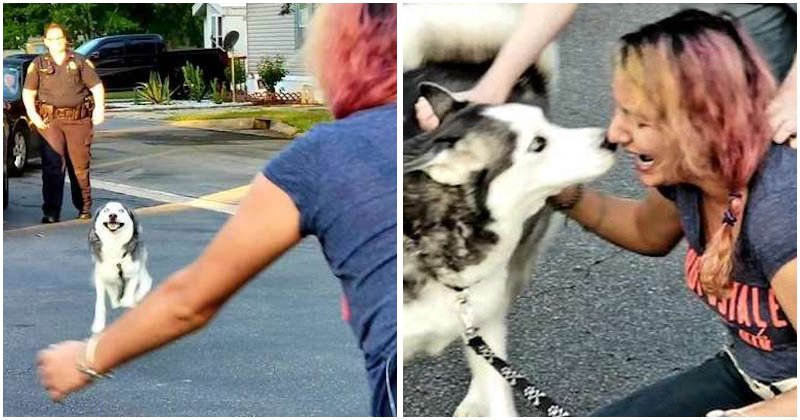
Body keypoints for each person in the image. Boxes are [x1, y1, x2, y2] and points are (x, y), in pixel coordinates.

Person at [37, 4, 397, 417]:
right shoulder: (431, 125)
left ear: (340, 50)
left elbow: (191, 300)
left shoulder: (324, 156)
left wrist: (87, 358)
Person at [544, 10, 795, 416]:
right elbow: (647, 232)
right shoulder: (693, 171)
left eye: (639, 119)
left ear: (703, 122)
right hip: (750, 376)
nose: (615, 133)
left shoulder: (781, 216)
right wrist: (562, 194)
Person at [22, 23, 105, 223]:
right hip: (50, 122)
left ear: (65, 40)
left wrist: (100, 109)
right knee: (52, 166)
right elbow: (28, 93)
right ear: (45, 42)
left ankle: (84, 207)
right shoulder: (38, 65)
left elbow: (96, 87)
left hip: (78, 120)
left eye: (60, 38)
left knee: (79, 167)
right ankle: (51, 211)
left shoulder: (79, 61)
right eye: (52, 39)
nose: (56, 42)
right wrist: (33, 115)